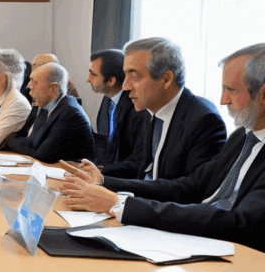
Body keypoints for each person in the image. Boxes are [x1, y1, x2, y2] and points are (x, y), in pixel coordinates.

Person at [60, 44, 265, 252]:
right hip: (194, 240)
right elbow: (190, 185)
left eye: (231, 90)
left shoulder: (205, 120)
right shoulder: (243, 136)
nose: (223, 100)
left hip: (233, 253)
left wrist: (120, 204)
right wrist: (105, 184)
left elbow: (241, 223)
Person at [119, 37, 227, 180]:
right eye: (125, 75)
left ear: (166, 79)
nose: (125, 86)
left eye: (135, 76)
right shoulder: (151, 108)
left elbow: (189, 188)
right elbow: (142, 166)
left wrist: (106, 183)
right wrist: (98, 176)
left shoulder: (205, 121)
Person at [4, 62, 95, 162]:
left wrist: (8, 141)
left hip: (73, 170)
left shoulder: (71, 113)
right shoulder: (46, 105)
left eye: (35, 82)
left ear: (52, 89)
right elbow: (30, 142)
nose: (29, 86)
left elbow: (41, 154)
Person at [86, 49, 148, 178]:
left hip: (126, 181)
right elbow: (107, 147)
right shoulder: (108, 99)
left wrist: (99, 170)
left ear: (111, 81)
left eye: (93, 74)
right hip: (109, 175)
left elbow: (136, 163)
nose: (88, 79)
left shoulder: (137, 108)